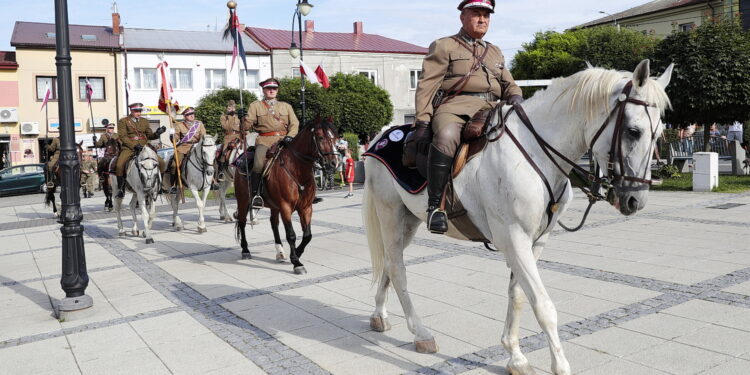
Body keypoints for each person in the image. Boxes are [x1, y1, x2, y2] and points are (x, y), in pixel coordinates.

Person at [414, 0, 523, 234]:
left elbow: (509, 84)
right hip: (455, 106)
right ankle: (436, 206)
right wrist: (422, 122)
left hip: (493, 107)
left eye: (486, 15)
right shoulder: (444, 46)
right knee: (446, 136)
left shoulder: (494, 51)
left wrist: (516, 98)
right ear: (462, 17)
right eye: (476, 14)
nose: (482, 19)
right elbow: (427, 86)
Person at [240, 78, 299, 205]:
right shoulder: (255, 105)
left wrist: (290, 136)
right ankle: (255, 194)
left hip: (285, 140)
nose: (272, 90)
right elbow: (246, 126)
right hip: (265, 141)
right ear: (264, 90)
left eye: (274, 88)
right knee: (258, 164)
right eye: (269, 88)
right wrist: (242, 119)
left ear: (277, 91)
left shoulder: (286, 106)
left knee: (303, 160)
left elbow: (294, 123)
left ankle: (307, 193)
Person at [115, 103, 166, 198]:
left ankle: (160, 186)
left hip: (144, 147)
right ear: (131, 111)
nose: (138, 113)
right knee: (119, 165)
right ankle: (121, 189)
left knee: (162, 163)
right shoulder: (123, 121)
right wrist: (134, 145)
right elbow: (123, 136)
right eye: (136, 111)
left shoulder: (144, 121)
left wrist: (158, 133)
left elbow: (150, 135)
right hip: (129, 147)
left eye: (140, 111)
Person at [167, 107, 206, 194]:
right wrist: (172, 135)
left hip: (196, 147)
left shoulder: (199, 124)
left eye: (193, 114)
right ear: (185, 116)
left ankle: (212, 181)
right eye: (189, 115)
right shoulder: (179, 125)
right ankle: (173, 185)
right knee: (174, 165)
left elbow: (203, 136)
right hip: (183, 148)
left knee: (209, 159)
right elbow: (175, 139)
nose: (192, 116)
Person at [217, 99, 243, 181]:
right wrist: (229, 116)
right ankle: (220, 172)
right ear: (226, 108)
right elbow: (226, 128)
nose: (232, 108)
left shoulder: (239, 116)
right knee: (224, 153)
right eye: (229, 107)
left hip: (239, 136)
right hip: (229, 137)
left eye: (233, 106)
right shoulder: (223, 117)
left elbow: (244, 127)